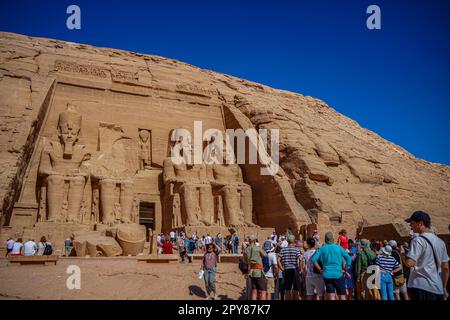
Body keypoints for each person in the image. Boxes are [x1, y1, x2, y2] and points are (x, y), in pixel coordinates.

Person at [404, 211, 449, 300]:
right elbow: (446, 268)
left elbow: (409, 263)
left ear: (420, 223)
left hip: (421, 287)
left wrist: (402, 254)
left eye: (412, 223)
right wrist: (444, 287)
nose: (410, 226)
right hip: (438, 288)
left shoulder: (418, 240)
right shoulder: (441, 242)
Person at [311, 232, 352, 300]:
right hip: (338, 274)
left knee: (331, 296)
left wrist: (319, 269)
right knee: (342, 296)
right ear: (332, 239)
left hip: (327, 275)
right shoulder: (339, 248)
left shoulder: (322, 248)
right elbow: (349, 258)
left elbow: (313, 259)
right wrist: (346, 268)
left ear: (325, 239)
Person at [278, 235, 302, 300]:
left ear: (287, 241)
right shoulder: (296, 250)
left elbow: (278, 260)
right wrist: (299, 268)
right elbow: (300, 259)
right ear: (294, 241)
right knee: (296, 289)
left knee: (287, 289)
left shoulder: (283, 250)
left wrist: (282, 269)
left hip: (286, 269)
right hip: (294, 269)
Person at [244, 235, 268, 300]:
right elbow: (265, 255)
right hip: (258, 271)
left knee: (254, 290)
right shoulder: (258, 248)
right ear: (254, 241)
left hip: (251, 272)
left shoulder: (246, 250)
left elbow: (245, 261)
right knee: (263, 290)